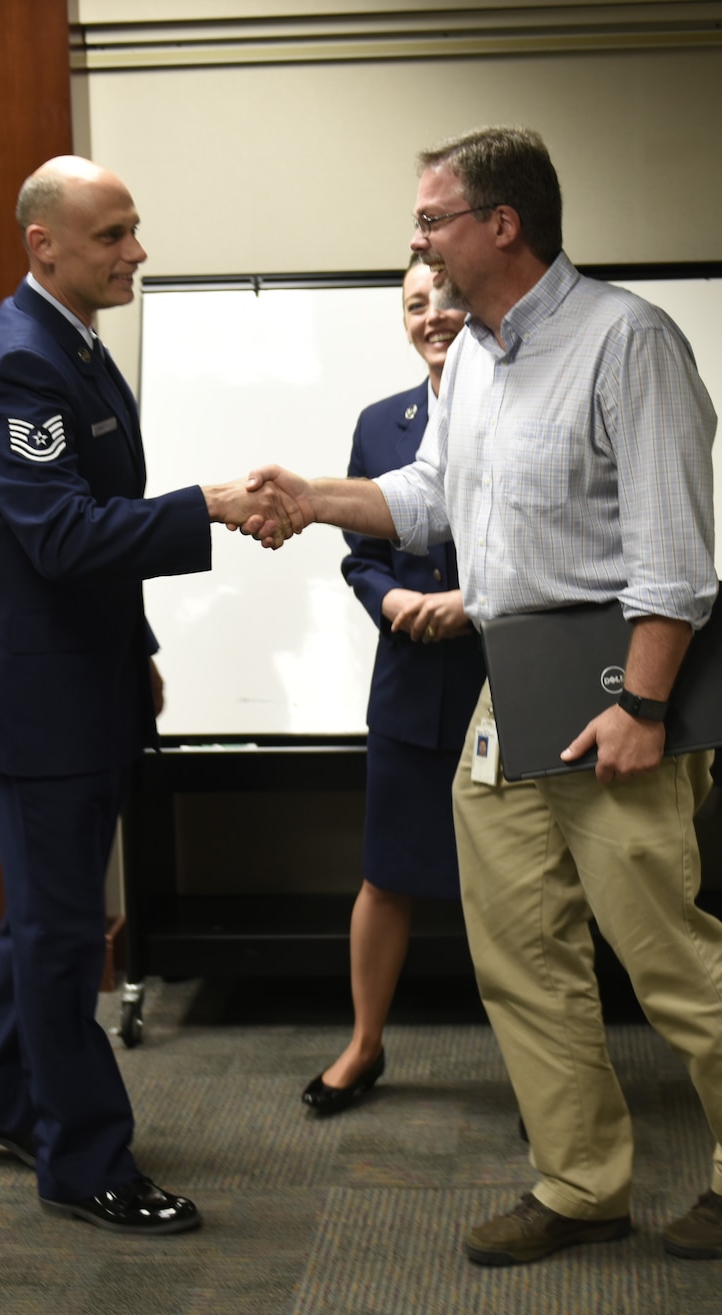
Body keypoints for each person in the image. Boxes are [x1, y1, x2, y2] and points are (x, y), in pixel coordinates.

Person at [249, 126, 722, 1267]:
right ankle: (578, 1183)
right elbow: (430, 499)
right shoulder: (476, 358)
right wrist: (314, 496)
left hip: (616, 696)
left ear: (500, 226)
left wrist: (644, 708)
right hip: (509, 695)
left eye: (431, 220)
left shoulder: (626, 344)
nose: (418, 241)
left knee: (661, 951)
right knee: (520, 951)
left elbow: (673, 561)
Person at [0, 155, 299, 1237]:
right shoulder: (19, 366)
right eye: (110, 235)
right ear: (41, 245)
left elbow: (89, 518)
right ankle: (81, 1161)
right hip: (41, 707)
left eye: (133, 229)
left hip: (88, 680)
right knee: (60, 937)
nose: (134, 251)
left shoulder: (75, 348)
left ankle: (2, 1102)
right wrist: (208, 504)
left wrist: (135, 641)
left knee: (39, 918)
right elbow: (58, 538)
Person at [303, 256, 488, 1117]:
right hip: (413, 680)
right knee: (387, 874)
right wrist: (397, 598)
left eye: (448, 296)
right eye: (416, 303)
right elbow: (361, 554)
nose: (434, 314)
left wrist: (471, 604)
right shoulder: (382, 424)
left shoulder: (521, 402)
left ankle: (546, 1068)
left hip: (510, 681)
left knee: (525, 888)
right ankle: (364, 1044)